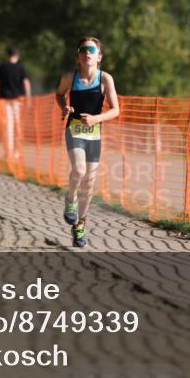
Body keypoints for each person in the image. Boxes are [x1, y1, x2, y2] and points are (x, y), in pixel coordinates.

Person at [55, 37, 120, 248]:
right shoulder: (69, 77)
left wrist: (95, 119)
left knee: (90, 182)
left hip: (94, 133)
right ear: (78, 57)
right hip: (74, 130)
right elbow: (59, 95)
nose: (87, 53)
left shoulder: (105, 79)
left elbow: (115, 109)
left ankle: (80, 225)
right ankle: (70, 199)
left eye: (92, 50)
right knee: (79, 170)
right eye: (83, 50)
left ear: (99, 57)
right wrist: (64, 107)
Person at [0, 46, 31, 162]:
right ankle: (16, 152)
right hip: (18, 100)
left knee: (8, 126)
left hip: (4, 98)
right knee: (17, 125)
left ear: (8, 55)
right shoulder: (21, 68)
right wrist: (28, 97)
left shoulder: (2, 67)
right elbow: (26, 82)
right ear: (17, 55)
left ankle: (8, 152)